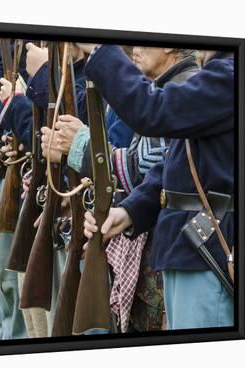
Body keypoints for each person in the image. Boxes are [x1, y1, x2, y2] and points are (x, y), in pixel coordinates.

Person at [81, 44, 234, 330]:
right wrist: (130, 211)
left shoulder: (232, 74)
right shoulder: (221, 72)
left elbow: (152, 110)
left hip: (207, 249)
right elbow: (176, 164)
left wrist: (101, 48)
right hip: (192, 245)